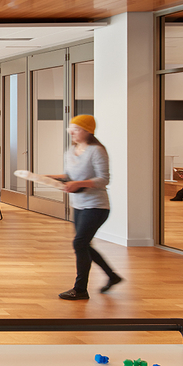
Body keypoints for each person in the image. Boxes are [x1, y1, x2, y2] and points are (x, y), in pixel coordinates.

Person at [47, 115, 122, 301]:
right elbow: (68, 176)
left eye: (76, 129)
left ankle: (80, 289)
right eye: (71, 128)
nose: (72, 132)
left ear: (88, 131)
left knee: (79, 243)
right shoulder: (71, 151)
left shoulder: (97, 151)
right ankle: (112, 276)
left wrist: (79, 183)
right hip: (79, 205)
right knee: (83, 245)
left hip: (97, 206)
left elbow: (104, 179)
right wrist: (49, 177)